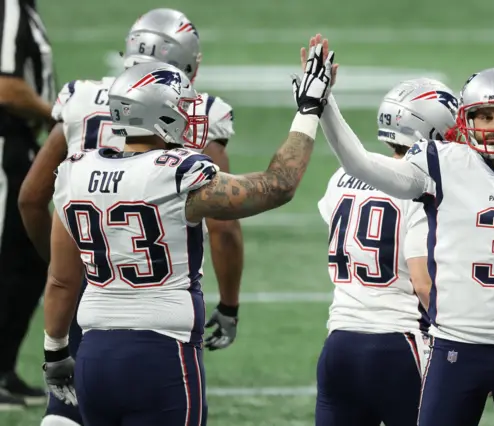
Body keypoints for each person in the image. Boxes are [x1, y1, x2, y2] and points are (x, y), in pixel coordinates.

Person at [41, 45, 333, 425]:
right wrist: (308, 111)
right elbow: (278, 185)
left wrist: (55, 351)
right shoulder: (176, 173)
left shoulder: (74, 172)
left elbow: (62, 280)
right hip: (161, 354)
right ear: (157, 113)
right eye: (181, 106)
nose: (189, 115)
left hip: (94, 355)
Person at [312, 40, 494, 426]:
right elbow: (361, 165)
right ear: (466, 120)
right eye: (485, 116)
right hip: (454, 350)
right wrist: (323, 106)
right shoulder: (440, 165)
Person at [18, 8, 242, 425]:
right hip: (156, 306)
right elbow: (224, 227)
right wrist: (229, 305)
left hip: (93, 291)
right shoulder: (197, 112)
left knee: (67, 411)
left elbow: (32, 198)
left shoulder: (81, 98)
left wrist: (66, 264)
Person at [315, 71, 458, 425]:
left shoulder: (341, 178)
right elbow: (423, 283)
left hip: (340, 343)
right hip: (398, 343)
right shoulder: (423, 187)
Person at [0, 0, 56, 408]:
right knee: (11, 258)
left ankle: (3, 369)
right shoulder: (9, 10)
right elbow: (5, 86)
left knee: (30, 259)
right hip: (6, 145)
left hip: (19, 146)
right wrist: (58, 114)